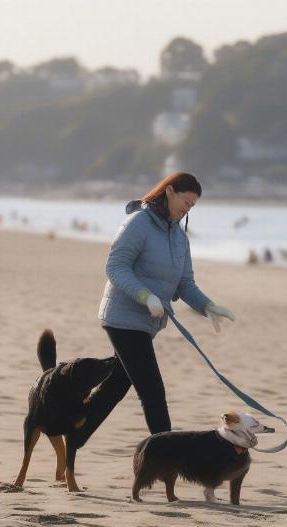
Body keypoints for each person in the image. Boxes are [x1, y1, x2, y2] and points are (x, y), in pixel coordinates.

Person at [67, 172, 235, 455]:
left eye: (192, 206)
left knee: (116, 386)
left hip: (147, 323)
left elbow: (185, 284)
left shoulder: (180, 237)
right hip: (122, 317)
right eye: (185, 202)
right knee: (152, 391)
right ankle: (169, 458)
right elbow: (116, 267)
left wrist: (207, 306)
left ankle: (73, 437)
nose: (187, 209)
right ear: (169, 191)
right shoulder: (138, 223)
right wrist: (145, 296)